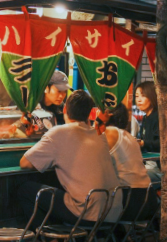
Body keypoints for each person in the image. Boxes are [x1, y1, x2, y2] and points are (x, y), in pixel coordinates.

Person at [19, 90, 122, 223]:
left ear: (65, 109)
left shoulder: (58, 133)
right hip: (113, 213)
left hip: (87, 214)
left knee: (26, 190)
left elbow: (25, 163)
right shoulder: (99, 134)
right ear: (90, 113)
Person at [104, 104, 159, 221]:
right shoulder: (130, 138)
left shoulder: (109, 133)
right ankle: (122, 238)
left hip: (129, 202)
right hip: (149, 200)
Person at [135, 81, 159, 153]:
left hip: (155, 161)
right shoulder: (145, 117)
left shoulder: (158, 116)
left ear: (152, 96)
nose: (139, 100)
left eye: (143, 96)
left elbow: (161, 143)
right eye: (137, 96)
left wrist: (142, 143)